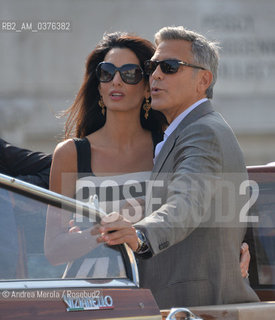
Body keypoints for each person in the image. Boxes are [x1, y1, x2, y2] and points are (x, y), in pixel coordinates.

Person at [44, 31, 250, 283]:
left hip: (147, 291)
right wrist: (106, 229)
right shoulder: (70, 153)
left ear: (146, 87)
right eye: (107, 73)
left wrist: (233, 249)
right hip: (84, 294)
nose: (116, 81)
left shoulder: (166, 146)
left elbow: (195, 202)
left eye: (129, 73)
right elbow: (53, 250)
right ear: (99, 85)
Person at [95, 26, 260, 308]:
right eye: (153, 66)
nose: (156, 75)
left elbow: (187, 203)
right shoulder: (187, 131)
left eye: (170, 67)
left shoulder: (203, 132)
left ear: (203, 80)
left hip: (198, 307)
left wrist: (142, 235)